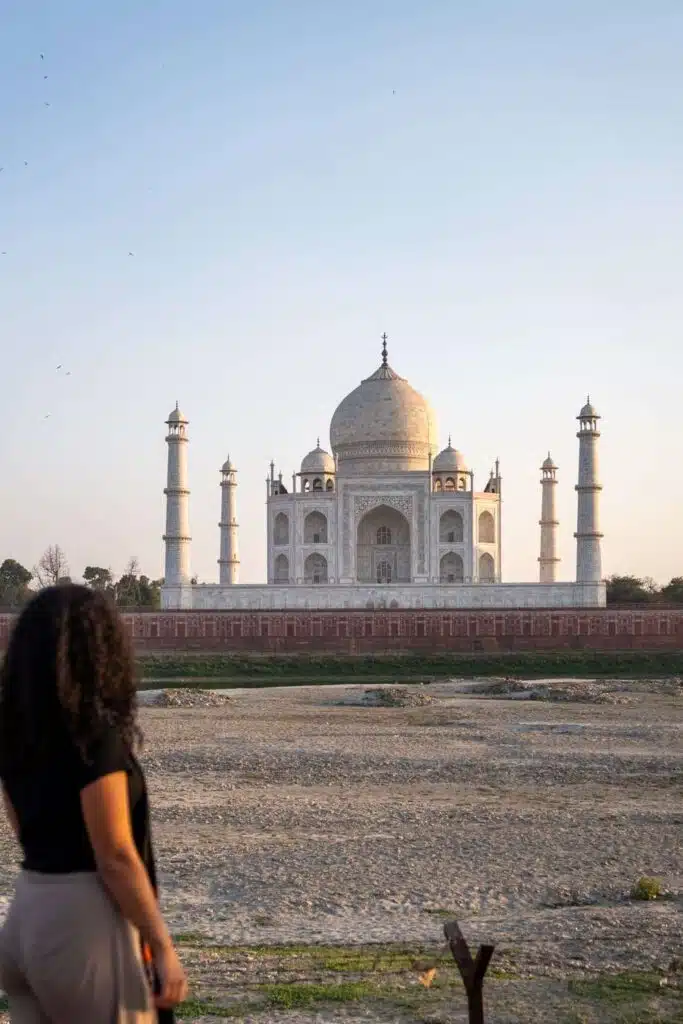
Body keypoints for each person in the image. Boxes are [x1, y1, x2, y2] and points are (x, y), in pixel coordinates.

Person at [0, 584, 188, 1022]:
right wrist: (160, 943)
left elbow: (25, 832)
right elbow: (115, 855)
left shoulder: (12, 732)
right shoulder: (92, 736)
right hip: (82, 924)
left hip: (28, 912)